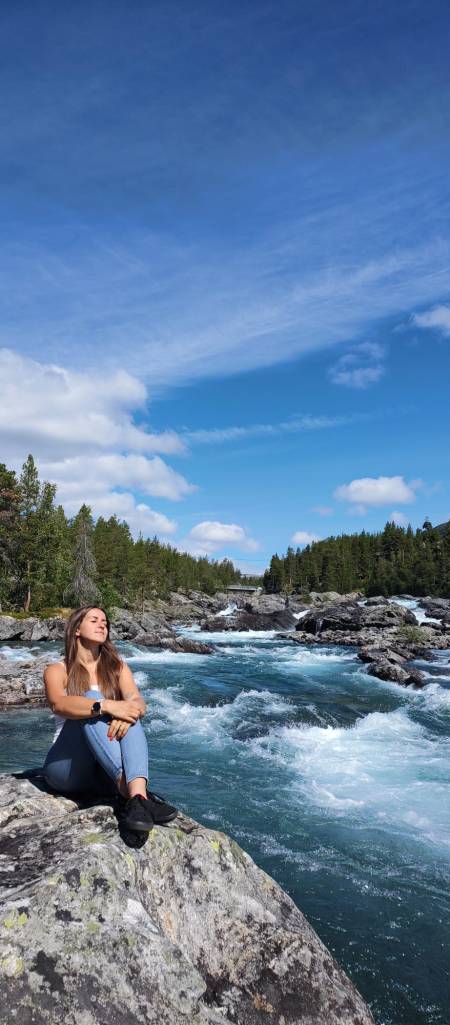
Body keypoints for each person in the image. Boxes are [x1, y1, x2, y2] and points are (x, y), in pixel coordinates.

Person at [42, 604, 177, 834]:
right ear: (76, 629)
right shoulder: (57, 669)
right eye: (94, 620)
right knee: (93, 699)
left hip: (105, 774)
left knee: (130, 711)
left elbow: (137, 701)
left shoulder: (117, 667)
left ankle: (136, 797)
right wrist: (107, 705)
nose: (102, 625)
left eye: (105, 622)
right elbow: (59, 704)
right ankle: (136, 793)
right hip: (67, 770)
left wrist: (127, 712)